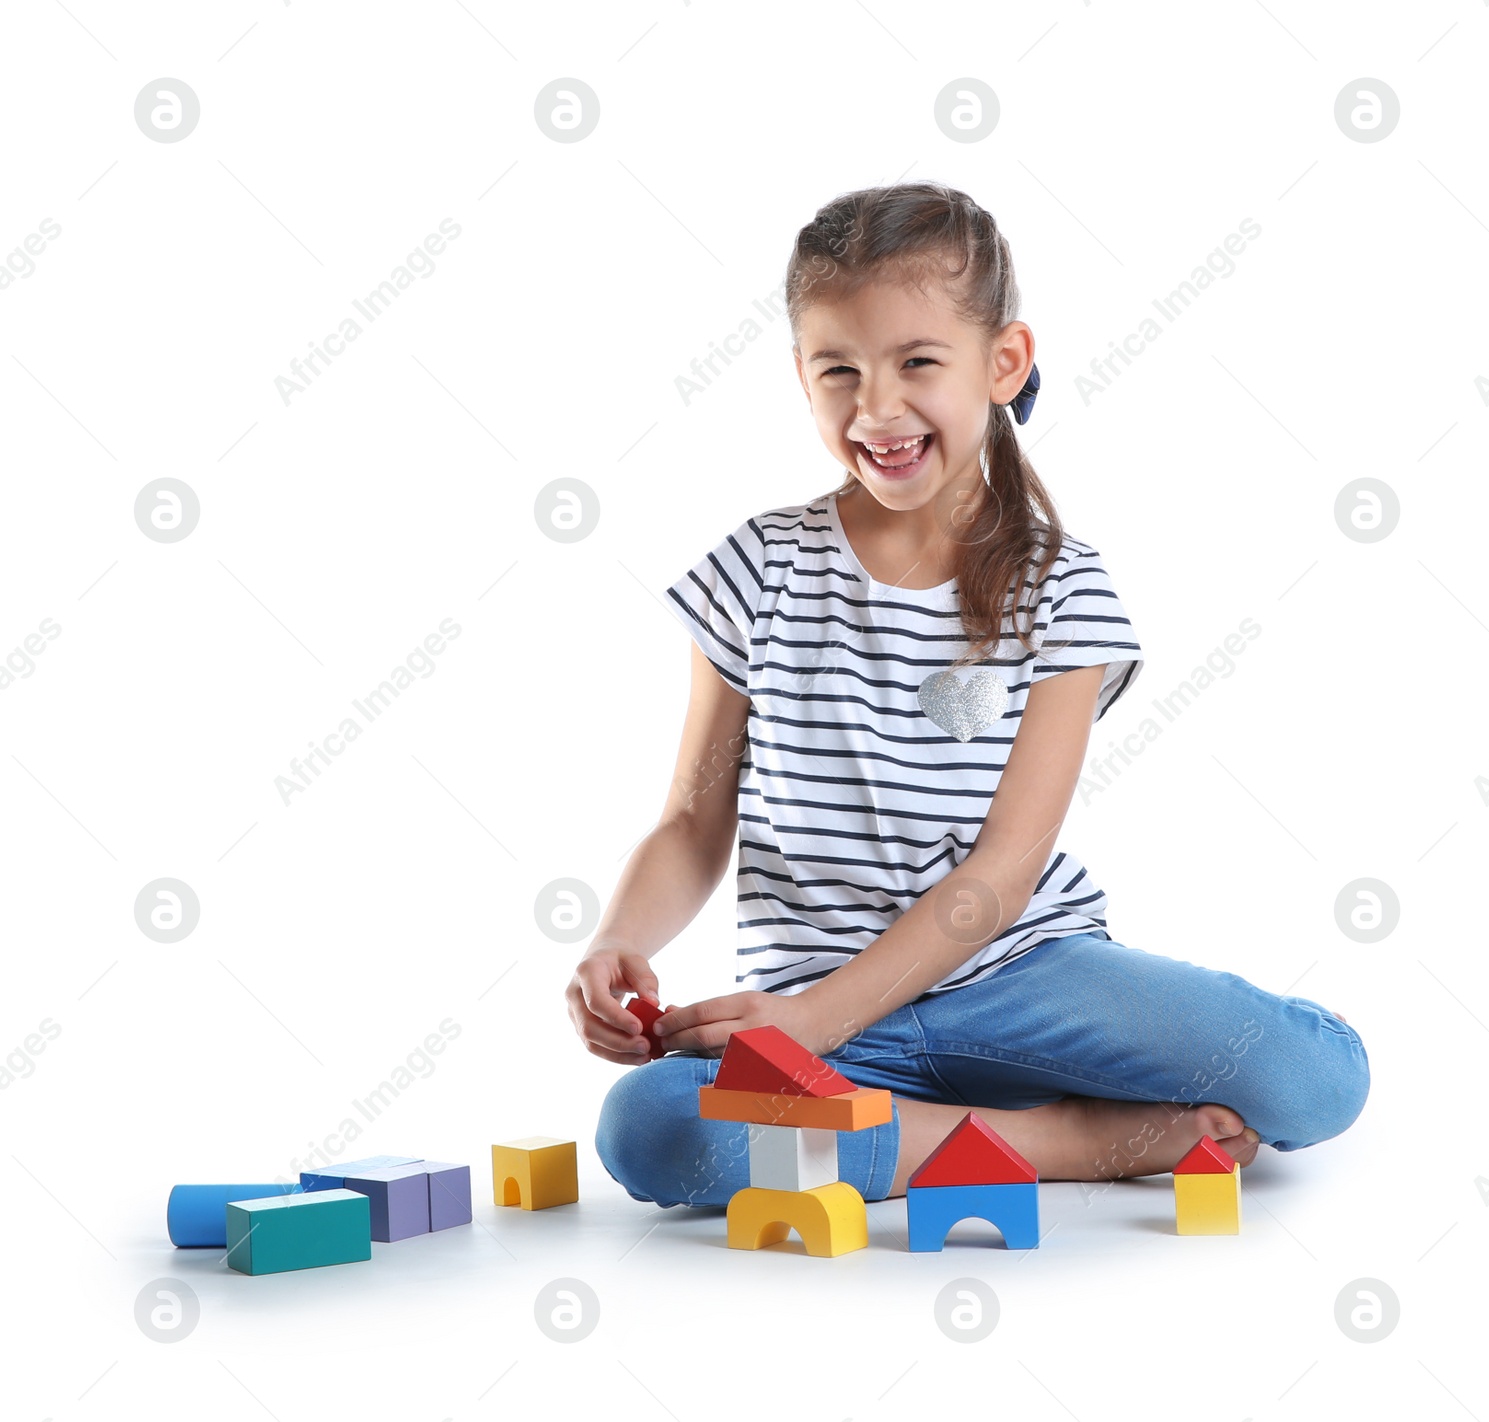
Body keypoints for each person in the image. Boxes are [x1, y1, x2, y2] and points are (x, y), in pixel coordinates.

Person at [570, 181, 1369, 1210]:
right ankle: (1064, 1140)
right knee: (651, 1130)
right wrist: (615, 941)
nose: (877, 409)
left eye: (916, 363)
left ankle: (972, 1125)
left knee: (1315, 1080)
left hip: (1019, 982)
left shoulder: (1062, 591)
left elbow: (999, 876)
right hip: (821, 1017)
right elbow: (688, 822)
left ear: (1003, 364)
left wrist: (810, 1027)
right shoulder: (757, 571)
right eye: (838, 372)